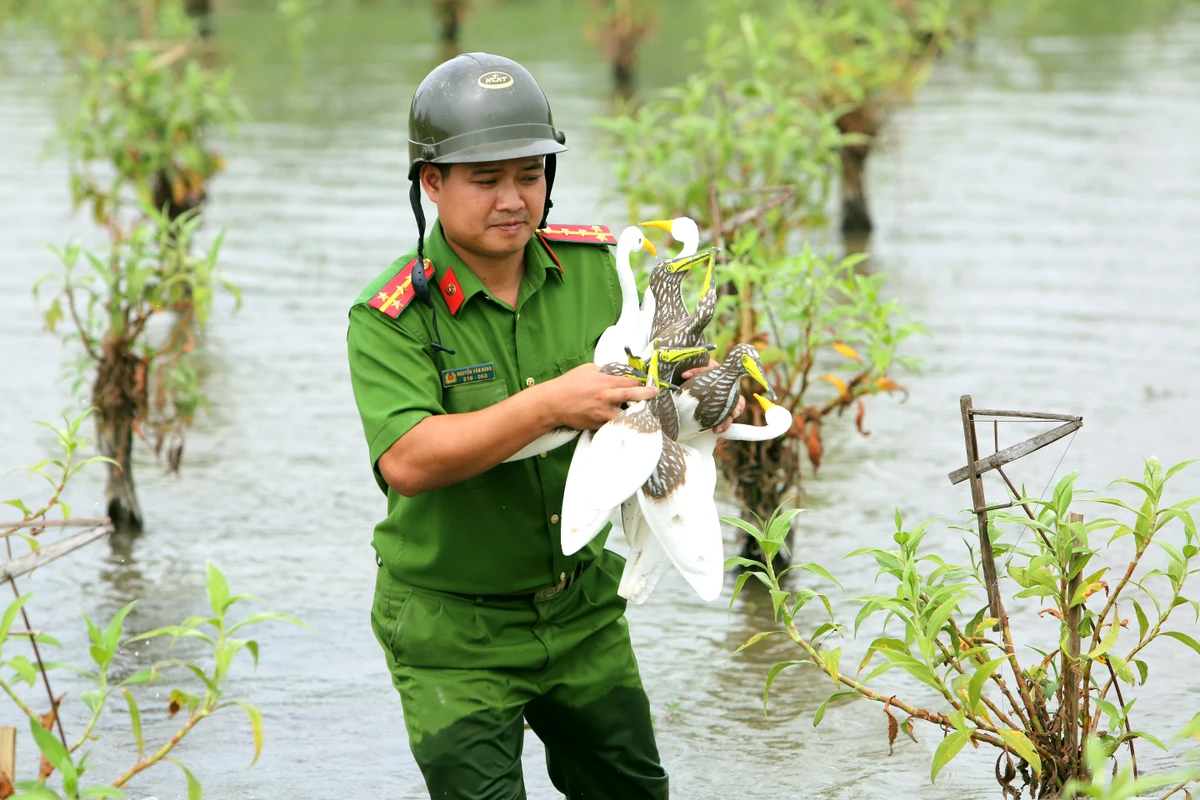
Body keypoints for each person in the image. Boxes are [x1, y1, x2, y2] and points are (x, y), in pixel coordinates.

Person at [346, 51, 738, 799]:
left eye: (529, 175)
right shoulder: (391, 315)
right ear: (432, 184)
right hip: (450, 630)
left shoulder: (595, 270)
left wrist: (708, 397)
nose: (513, 199)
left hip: (583, 607)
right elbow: (409, 459)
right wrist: (551, 403)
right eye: (486, 179)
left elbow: (667, 385)